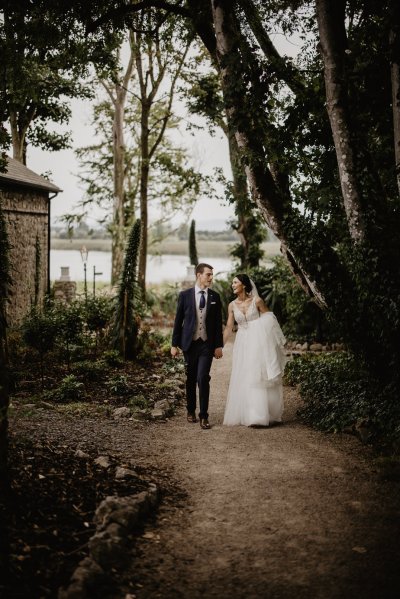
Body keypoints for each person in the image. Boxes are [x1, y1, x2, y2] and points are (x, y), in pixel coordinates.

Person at [223, 274, 286, 427]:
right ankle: (249, 413)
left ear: (244, 285)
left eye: (235, 282)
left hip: (258, 342)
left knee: (258, 374)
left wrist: (270, 343)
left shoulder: (257, 301)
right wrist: (220, 346)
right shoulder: (232, 305)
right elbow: (229, 327)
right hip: (242, 343)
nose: (232, 285)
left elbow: (269, 320)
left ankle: (261, 415)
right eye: (232, 283)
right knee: (244, 374)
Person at [171, 263, 223, 429]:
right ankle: (191, 410)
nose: (210, 278)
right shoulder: (185, 295)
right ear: (199, 275)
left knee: (202, 378)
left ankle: (204, 416)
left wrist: (218, 346)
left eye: (211, 275)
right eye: (208, 274)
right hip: (189, 344)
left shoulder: (215, 297)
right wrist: (174, 344)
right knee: (191, 378)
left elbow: (216, 324)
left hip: (206, 345)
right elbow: (178, 321)